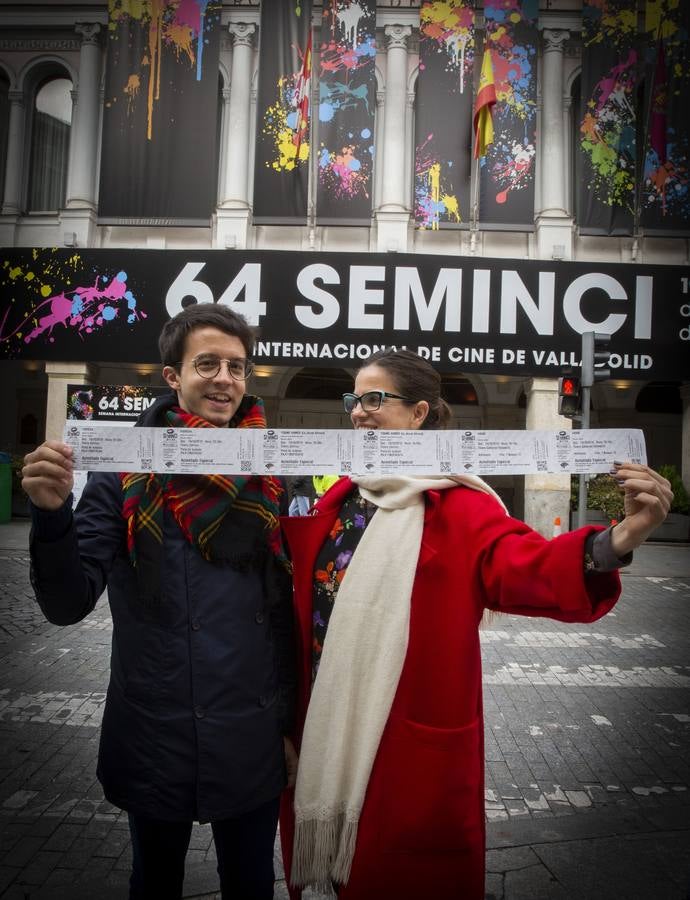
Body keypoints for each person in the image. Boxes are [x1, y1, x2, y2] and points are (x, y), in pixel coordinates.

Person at [278, 348, 673, 900]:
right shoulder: (342, 495)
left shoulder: (459, 506)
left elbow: (525, 566)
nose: (359, 412)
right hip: (325, 714)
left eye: (374, 399)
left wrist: (619, 540)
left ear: (418, 414)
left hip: (406, 734)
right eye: (354, 400)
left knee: (398, 876)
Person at [22, 303, 298, 900]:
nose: (225, 379)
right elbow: (68, 603)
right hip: (155, 727)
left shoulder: (274, 469)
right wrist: (50, 519)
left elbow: (284, 615)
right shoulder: (123, 470)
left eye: (238, 366)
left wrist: (291, 723)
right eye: (207, 364)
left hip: (248, 727)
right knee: (153, 883)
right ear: (172, 376)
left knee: (251, 884)